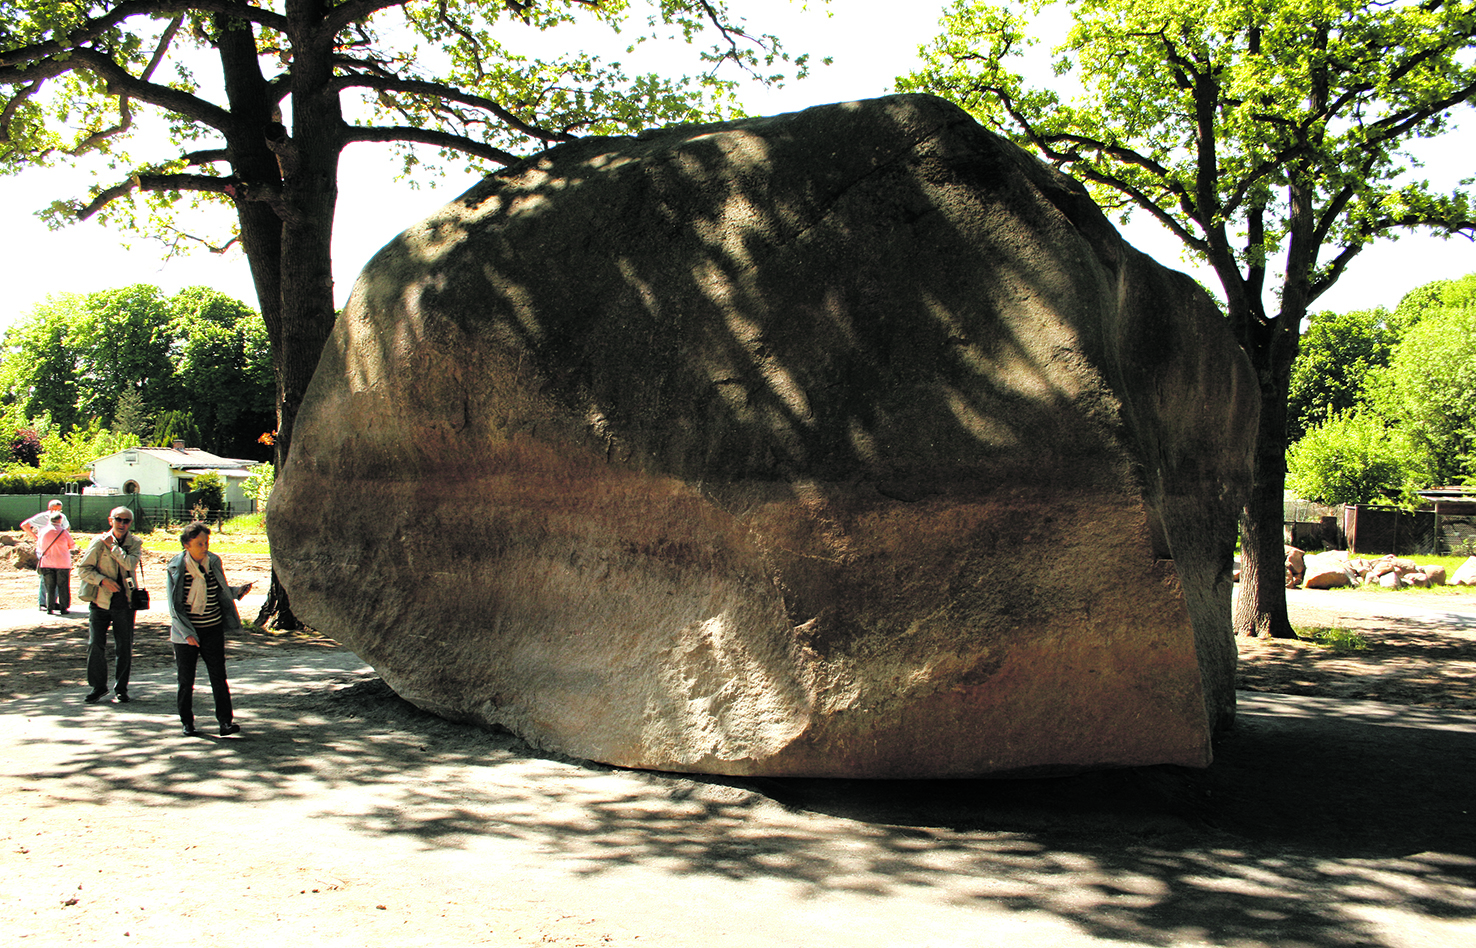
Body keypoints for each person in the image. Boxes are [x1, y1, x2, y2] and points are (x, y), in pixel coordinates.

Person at [165, 522, 253, 737]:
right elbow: (174, 606)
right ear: (186, 545)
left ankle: (225, 722)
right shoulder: (176, 566)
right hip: (186, 633)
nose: (205, 547)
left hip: (212, 628)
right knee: (186, 680)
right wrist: (187, 634)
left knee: (218, 676)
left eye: (206, 542)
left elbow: (220, 590)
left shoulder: (213, 561)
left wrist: (236, 591)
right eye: (199, 543)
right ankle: (187, 722)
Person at [76, 507, 143, 704]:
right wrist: (102, 581)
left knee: (124, 647)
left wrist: (112, 546)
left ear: (131, 523)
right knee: (95, 644)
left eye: (126, 520)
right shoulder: (98, 542)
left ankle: (121, 688)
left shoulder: (135, 543)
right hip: (100, 601)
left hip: (125, 603)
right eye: (118, 519)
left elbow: (129, 564)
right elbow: (83, 570)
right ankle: (98, 687)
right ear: (110, 520)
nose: (122, 524)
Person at [22, 499, 70, 612]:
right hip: (45, 551)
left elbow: (67, 529)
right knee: (45, 578)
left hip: (58, 552)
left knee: (57, 577)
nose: (57, 512)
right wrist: (36, 538)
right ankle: (43, 603)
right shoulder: (42, 517)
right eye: (54, 509)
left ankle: (52, 602)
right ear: (49, 508)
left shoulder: (62, 517)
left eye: (59, 510)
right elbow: (25, 525)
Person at [36, 512, 75, 615]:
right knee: (63, 586)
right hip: (63, 563)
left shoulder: (42, 531)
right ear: (60, 520)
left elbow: (39, 546)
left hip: (47, 562)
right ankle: (63, 608)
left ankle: (49, 608)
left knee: (49, 586)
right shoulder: (63, 532)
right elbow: (72, 545)